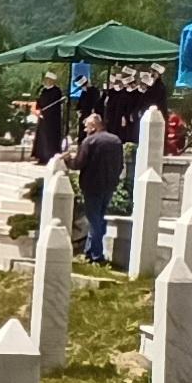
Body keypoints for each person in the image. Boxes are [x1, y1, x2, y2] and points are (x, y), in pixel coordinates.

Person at [71, 112, 126, 269]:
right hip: (109, 185)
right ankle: (89, 252)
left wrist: (67, 160)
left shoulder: (90, 141)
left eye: (86, 124)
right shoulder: (116, 141)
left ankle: (97, 255)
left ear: (94, 125)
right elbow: (120, 165)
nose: (84, 127)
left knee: (94, 220)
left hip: (92, 185)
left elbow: (78, 164)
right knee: (99, 217)